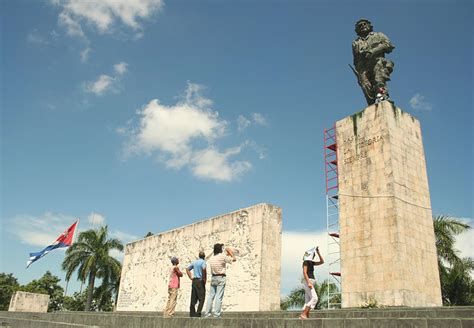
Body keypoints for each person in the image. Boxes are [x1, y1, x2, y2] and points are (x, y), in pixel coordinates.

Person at [352, 18, 395, 105]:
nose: (363, 26)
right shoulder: (356, 42)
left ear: (369, 26)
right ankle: (371, 103)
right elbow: (356, 58)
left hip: (377, 61)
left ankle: (383, 96)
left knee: (379, 80)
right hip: (363, 67)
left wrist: (373, 51)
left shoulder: (378, 35)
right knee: (365, 86)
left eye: (364, 24)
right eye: (360, 26)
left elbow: (388, 45)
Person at [203, 243, 236, 318]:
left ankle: (207, 313)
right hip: (221, 278)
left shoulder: (212, 258)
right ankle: (216, 314)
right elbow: (234, 259)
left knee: (211, 296)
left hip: (213, 277)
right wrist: (230, 252)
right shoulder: (222, 256)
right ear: (220, 249)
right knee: (219, 296)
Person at [300, 246, 324, 320]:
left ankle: (305, 316)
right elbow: (304, 272)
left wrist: (318, 252)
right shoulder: (306, 262)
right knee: (315, 298)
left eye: (314, 255)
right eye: (313, 254)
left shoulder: (311, 262)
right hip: (308, 282)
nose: (313, 256)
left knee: (307, 300)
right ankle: (304, 314)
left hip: (310, 282)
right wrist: (309, 282)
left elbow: (322, 262)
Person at [186, 251, 207, 317]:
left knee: (193, 297)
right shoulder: (203, 262)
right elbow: (204, 269)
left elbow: (187, 269)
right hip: (200, 281)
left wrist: (190, 277)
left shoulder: (195, 262)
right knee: (202, 298)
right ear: (204, 257)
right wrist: (204, 278)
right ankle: (198, 313)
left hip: (194, 281)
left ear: (199, 256)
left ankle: (192, 313)